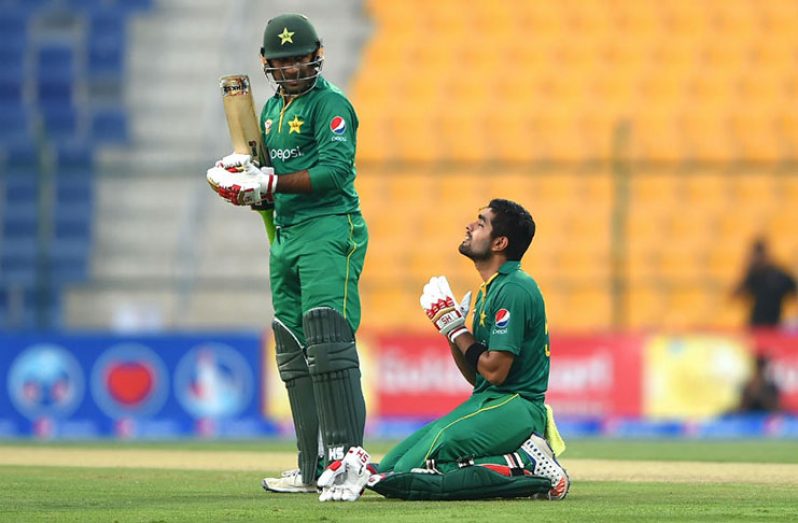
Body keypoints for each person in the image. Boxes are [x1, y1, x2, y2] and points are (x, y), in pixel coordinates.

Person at [206, 13, 368, 493]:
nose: (293, 67)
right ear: (266, 63)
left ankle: (347, 463)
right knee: (294, 348)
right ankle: (313, 466)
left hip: (331, 228)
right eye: (282, 60)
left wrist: (270, 180)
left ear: (317, 54)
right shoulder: (272, 112)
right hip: (287, 234)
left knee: (328, 338)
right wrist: (246, 180)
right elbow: (270, 187)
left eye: (300, 58)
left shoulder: (331, 103)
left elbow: (336, 172)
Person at [316, 199, 570, 502]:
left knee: (424, 457)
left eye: (481, 223)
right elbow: (477, 375)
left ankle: (526, 465)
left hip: (517, 405)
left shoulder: (514, 288)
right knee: (395, 461)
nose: (470, 226)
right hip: (489, 399)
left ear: (500, 242)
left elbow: (496, 371)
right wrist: (451, 333)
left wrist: (456, 329)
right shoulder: (491, 289)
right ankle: (368, 473)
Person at [732, 238, 797, 328]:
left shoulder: (779, 275)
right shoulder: (753, 274)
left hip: (773, 325)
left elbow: (794, 291)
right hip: (755, 324)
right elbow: (735, 295)